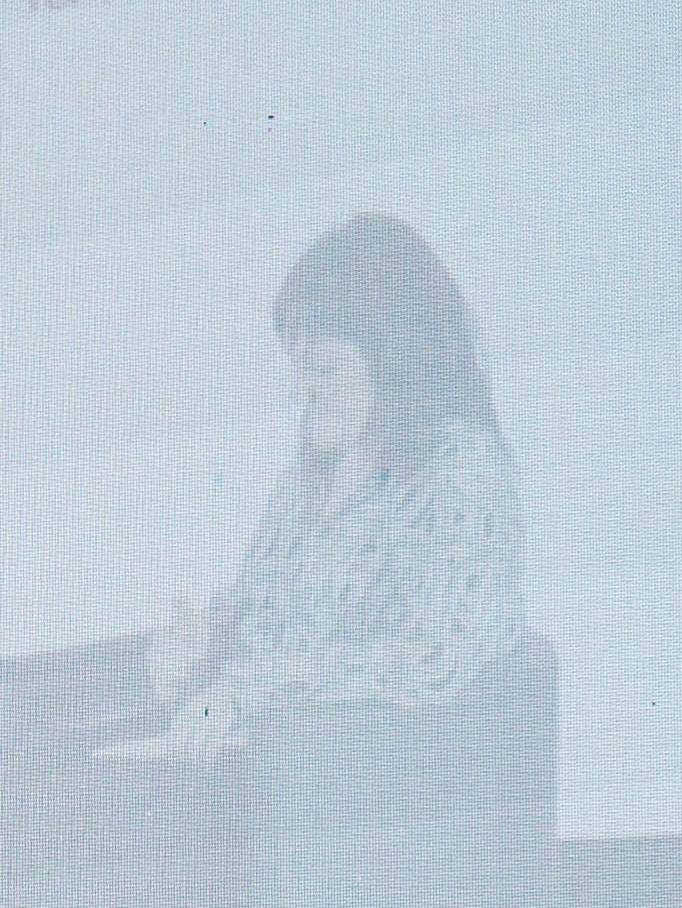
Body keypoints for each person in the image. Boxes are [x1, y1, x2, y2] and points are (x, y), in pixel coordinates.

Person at [120, 212, 524, 761]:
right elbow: (258, 615)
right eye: (298, 368)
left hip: (394, 787)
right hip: (288, 770)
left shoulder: (464, 474)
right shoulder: (306, 482)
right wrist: (200, 647)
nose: (303, 393)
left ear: (396, 362)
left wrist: (250, 688)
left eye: (326, 368)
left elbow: (434, 657)